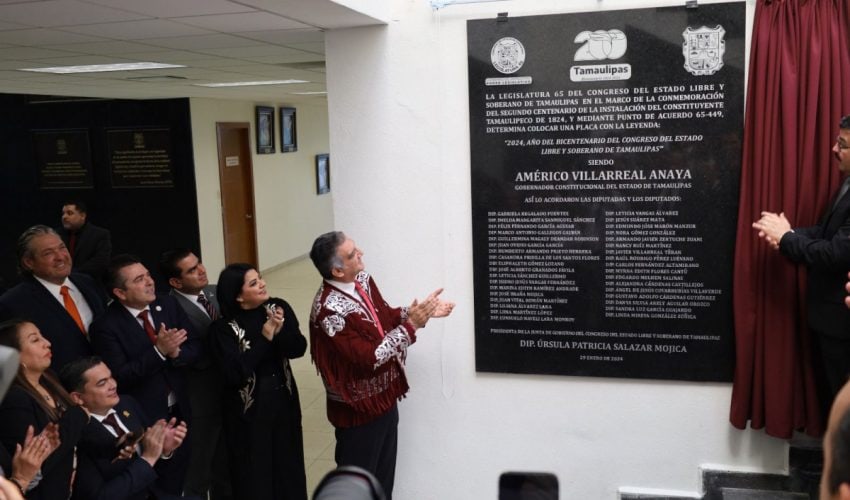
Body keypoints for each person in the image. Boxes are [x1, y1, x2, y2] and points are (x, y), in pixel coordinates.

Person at [308, 231, 455, 499]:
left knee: (382, 483)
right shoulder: (328, 311)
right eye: (352, 254)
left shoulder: (362, 278)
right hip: (357, 412)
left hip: (384, 400)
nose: (361, 253)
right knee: (357, 487)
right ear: (337, 271)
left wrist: (414, 313)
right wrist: (412, 325)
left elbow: (382, 316)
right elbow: (369, 357)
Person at [753, 114, 850, 401]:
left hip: (842, 327)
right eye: (836, 141)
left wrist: (785, 239)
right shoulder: (846, 183)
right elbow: (825, 232)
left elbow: (836, 254)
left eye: (842, 144)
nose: (834, 149)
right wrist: (789, 232)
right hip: (828, 321)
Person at [89, 254, 199, 495]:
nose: (150, 282)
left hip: (179, 405)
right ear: (120, 292)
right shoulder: (105, 326)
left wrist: (177, 353)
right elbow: (121, 376)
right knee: (155, 480)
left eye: (148, 275)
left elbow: (194, 347)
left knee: (181, 467)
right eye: (139, 279)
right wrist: (159, 351)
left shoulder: (166, 305)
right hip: (144, 413)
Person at [208, 263, 308, 500]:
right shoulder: (223, 329)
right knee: (255, 474)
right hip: (248, 414)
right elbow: (235, 373)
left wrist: (280, 330)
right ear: (239, 297)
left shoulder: (278, 308)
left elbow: (298, 349)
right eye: (253, 283)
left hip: (284, 402)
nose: (263, 284)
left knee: (288, 468)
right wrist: (265, 337)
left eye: (260, 279)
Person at [59, 356, 192, 500]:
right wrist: (148, 458)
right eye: (102, 383)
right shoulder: (79, 435)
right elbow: (99, 497)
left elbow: (158, 474)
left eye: (111, 377)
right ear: (78, 398)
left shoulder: (127, 404)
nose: (113, 385)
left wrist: (164, 451)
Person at [159, 248, 231, 500]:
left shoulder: (214, 293)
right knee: (199, 469)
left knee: (225, 465)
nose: (201, 270)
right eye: (191, 270)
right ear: (175, 282)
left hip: (227, 391)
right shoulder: (169, 310)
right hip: (199, 399)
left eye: (198, 263)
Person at [0, 319, 88, 500]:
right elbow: (37, 462)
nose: (47, 343)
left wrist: (114, 444)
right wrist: (78, 415)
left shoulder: (49, 380)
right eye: (35, 340)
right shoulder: (14, 399)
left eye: (42, 337)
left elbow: (72, 436)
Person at [0, 225, 107, 371]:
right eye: (48, 253)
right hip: (61, 388)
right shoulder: (12, 303)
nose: (60, 256)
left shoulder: (87, 283)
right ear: (28, 262)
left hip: (109, 381)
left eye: (62, 248)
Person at [58, 201, 112, 282]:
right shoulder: (56, 235)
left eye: (69, 213)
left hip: (89, 282)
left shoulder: (99, 234)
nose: (64, 217)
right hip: (60, 282)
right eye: (63, 213)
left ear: (82, 216)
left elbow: (100, 262)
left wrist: (71, 274)